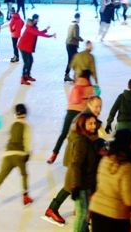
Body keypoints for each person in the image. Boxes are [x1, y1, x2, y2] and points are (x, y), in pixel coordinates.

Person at [44, 96, 103, 224]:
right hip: (76, 157)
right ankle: (52, 209)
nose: (99, 109)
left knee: (75, 184)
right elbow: (77, 137)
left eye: (100, 106)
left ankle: (79, 209)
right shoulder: (82, 118)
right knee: (72, 184)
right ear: (89, 104)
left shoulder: (91, 118)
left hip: (82, 157)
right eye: (96, 106)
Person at [0, 104, 33, 208]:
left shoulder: (13, 125)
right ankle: (26, 197)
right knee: (24, 175)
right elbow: (27, 141)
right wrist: (27, 154)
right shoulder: (26, 126)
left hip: (8, 155)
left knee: (0, 177)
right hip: (20, 155)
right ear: (25, 114)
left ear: (15, 114)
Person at [89, 129, 131, 232]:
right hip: (115, 216)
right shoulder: (128, 167)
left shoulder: (105, 159)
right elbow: (128, 200)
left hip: (97, 210)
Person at [63, 112, 100, 232]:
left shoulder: (88, 139)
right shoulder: (81, 141)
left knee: (86, 212)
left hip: (85, 181)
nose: (94, 126)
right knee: (82, 213)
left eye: (94, 123)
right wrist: (76, 186)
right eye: (90, 124)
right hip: (80, 183)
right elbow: (75, 164)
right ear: (82, 125)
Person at [48, 70, 94, 164]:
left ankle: (54, 154)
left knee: (63, 134)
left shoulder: (75, 86)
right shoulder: (89, 88)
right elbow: (92, 101)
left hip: (70, 112)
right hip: (81, 114)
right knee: (80, 137)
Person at [17, 15, 56, 85]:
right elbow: (38, 33)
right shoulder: (30, 27)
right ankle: (23, 78)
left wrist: (46, 30)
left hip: (27, 47)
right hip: (23, 47)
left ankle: (27, 75)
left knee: (30, 61)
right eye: (37, 19)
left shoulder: (33, 26)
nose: (38, 20)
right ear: (34, 19)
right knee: (27, 62)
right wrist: (51, 36)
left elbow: (38, 32)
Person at [64, 13, 83, 82]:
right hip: (72, 45)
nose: (80, 20)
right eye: (79, 18)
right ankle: (76, 76)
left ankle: (67, 75)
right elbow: (76, 36)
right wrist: (81, 39)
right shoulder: (76, 25)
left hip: (68, 44)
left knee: (71, 60)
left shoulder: (70, 25)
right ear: (77, 18)